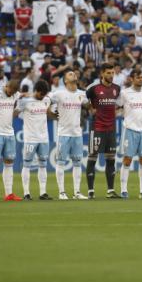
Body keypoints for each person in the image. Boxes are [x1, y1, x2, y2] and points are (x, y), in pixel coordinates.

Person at [49, 70, 90, 200]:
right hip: (63, 133)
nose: (74, 75)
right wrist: (51, 114)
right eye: (70, 74)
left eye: (74, 74)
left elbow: (89, 106)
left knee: (78, 163)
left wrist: (92, 100)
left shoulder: (81, 94)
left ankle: (77, 192)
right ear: (65, 80)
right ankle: (62, 192)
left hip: (77, 133)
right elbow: (46, 101)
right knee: (61, 162)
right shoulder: (59, 94)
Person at [117, 69, 142, 199]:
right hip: (130, 129)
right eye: (138, 77)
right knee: (127, 159)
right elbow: (117, 107)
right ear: (132, 78)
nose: (141, 79)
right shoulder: (124, 93)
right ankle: (123, 190)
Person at [85, 63, 121, 199]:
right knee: (92, 158)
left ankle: (110, 190)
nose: (111, 75)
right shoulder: (93, 89)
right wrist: (90, 109)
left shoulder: (117, 89)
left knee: (111, 159)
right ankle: (90, 192)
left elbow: (119, 104)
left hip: (111, 129)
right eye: (108, 73)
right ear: (102, 74)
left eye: (113, 73)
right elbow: (83, 100)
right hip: (97, 128)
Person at [17, 79, 53, 201]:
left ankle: (43, 192)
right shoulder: (26, 102)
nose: (42, 97)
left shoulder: (46, 100)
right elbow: (15, 113)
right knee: (26, 165)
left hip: (44, 138)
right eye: (41, 94)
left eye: (44, 94)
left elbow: (49, 111)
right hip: (30, 138)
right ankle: (26, 193)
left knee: (43, 165)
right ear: (36, 91)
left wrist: (56, 115)